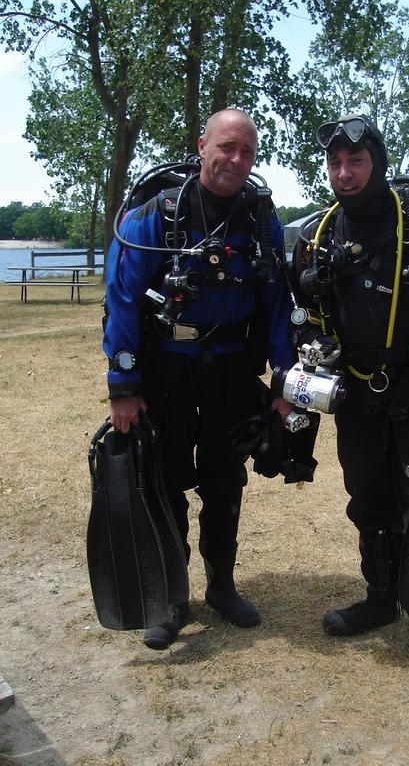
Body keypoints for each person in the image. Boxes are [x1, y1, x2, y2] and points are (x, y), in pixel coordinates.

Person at [290, 114, 409, 690]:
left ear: (379, 163)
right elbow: (305, 315)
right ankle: (380, 597)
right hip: (355, 392)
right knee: (368, 497)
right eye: (335, 164)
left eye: (357, 161)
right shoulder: (318, 235)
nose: (344, 174)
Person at [103, 108, 295, 650]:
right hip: (166, 368)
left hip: (232, 368)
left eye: (247, 153)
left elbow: (278, 301)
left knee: (224, 478)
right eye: (226, 147)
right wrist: (124, 386)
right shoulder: (157, 215)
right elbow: (121, 298)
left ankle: (222, 586)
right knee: (163, 480)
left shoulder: (260, 219)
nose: (236, 160)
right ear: (203, 145)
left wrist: (282, 383)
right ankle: (171, 596)